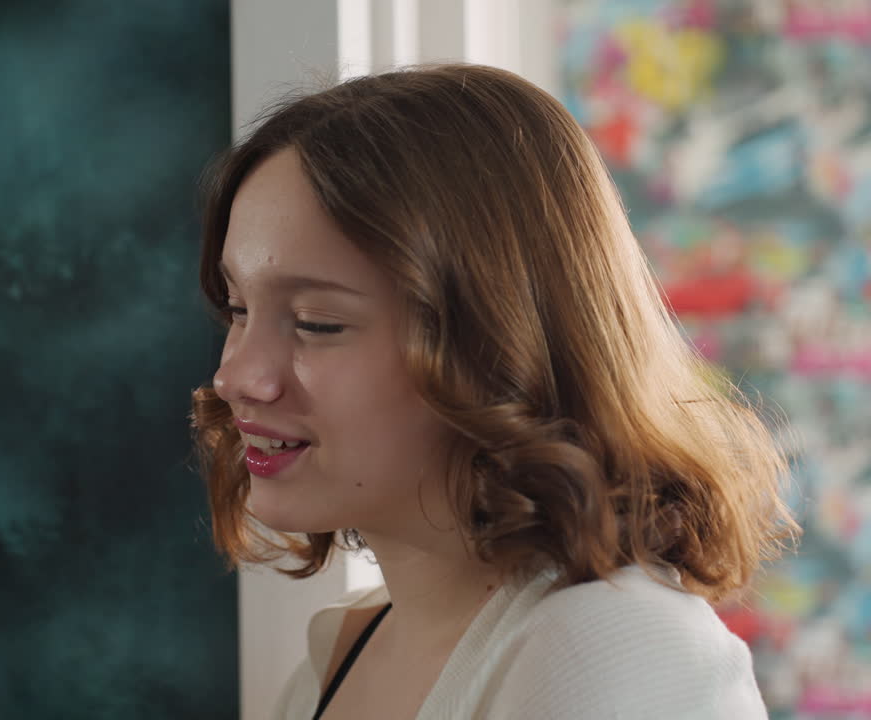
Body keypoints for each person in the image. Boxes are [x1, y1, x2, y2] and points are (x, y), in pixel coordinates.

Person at [188, 64, 800, 719]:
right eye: (237, 308)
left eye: (317, 323)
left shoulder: (611, 646)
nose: (235, 377)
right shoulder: (341, 652)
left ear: (497, 341)